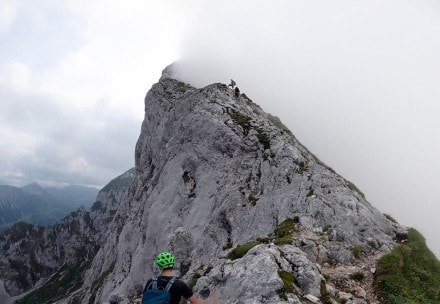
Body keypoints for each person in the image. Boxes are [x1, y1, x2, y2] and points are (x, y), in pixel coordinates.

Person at [142, 252, 207, 304]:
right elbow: (194, 301)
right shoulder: (179, 284)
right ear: (172, 264)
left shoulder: (151, 281)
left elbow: (145, 299)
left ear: (159, 266)